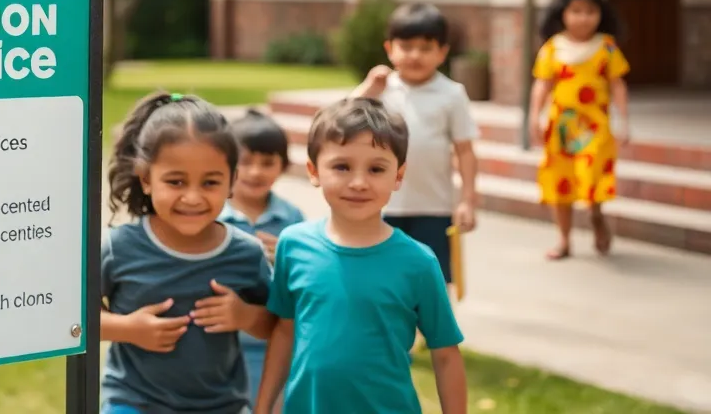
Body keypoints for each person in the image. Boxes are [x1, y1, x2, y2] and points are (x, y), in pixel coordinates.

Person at [254, 98, 468, 414]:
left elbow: (446, 354)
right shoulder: (293, 245)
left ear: (398, 176)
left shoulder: (419, 262)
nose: (358, 183)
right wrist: (262, 407)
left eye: (376, 169)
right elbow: (285, 331)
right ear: (314, 171)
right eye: (342, 167)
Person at [101, 92, 276, 414]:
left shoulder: (246, 253)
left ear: (232, 181)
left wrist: (245, 316)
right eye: (176, 182)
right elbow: (74, 320)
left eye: (210, 183)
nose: (193, 197)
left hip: (222, 407)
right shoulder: (119, 247)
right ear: (146, 179)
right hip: (133, 402)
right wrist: (128, 329)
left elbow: (276, 323)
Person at [352, 2, 479, 289]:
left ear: (442, 52)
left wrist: (467, 201)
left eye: (425, 48)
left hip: (435, 206)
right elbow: (341, 123)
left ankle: (434, 320)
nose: (415, 55)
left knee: (433, 279)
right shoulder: (381, 90)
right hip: (382, 204)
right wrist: (368, 90)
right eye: (406, 46)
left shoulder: (452, 94)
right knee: (383, 276)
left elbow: (465, 150)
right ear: (389, 48)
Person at [529, 0, 630, 259]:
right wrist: (534, 116)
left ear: (600, 14)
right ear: (563, 13)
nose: (583, 18)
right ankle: (564, 239)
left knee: (593, 176)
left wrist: (623, 121)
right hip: (561, 127)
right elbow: (542, 84)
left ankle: (596, 215)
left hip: (597, 127)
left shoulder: (607, 47)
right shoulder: (552, 48)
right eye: (576, 11)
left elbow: (618, 85)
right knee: (561, 183)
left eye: (590, 11)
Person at [219, 110, 305, 407]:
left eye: (267, 163)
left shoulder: (292, 219)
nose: (255, 172)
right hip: (221, 345)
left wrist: (288, 257)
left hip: (276, 345)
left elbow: (307, 278)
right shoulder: (212, 216)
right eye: (245, 162)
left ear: (284, 165)